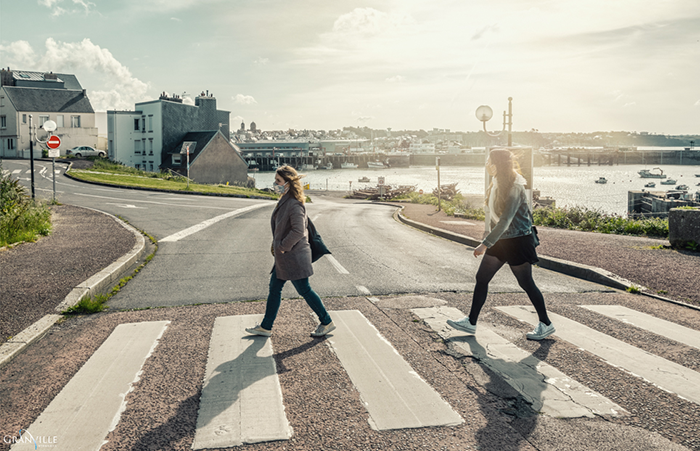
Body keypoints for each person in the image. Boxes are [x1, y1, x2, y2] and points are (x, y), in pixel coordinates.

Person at [447, 149, 555, 340]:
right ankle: (471, 322)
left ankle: (545, 323)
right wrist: (491, 239)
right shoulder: (497, 182)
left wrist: (484, 244)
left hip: (517, 241)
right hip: (502, 240)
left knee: (526, 283)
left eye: (490, 161)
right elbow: (496, 219)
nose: (487, 164)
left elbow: (505, 220)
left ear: (498, 163)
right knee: (482, 277)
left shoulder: (515, 187)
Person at [246, 165, 335, 338]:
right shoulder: (286, 199)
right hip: (286, 256)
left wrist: (281, 246)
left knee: (304, 290)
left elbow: (298, 231)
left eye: (278, 181)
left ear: (288, 183)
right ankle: (266, 326)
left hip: (293, 256)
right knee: (274, 288)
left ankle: (326, 321)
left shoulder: (294, 204)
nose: (275, 183)